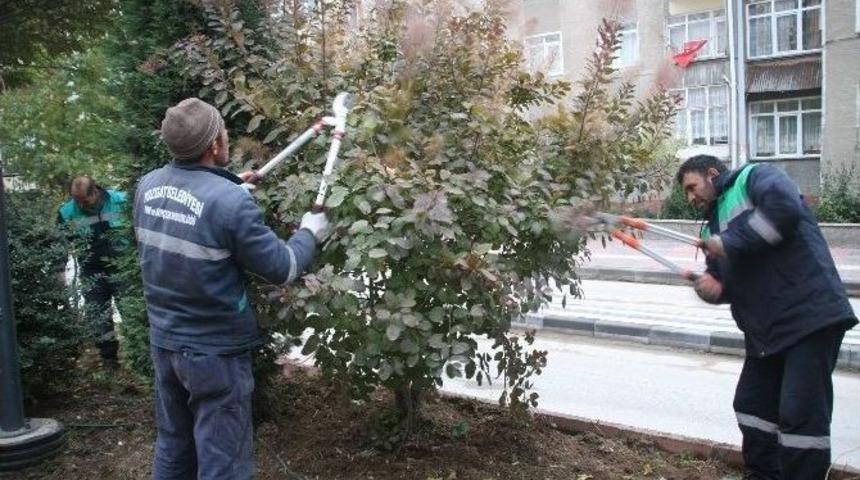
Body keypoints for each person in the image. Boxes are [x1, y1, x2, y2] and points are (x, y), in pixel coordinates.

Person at [133, 97, 329, 479]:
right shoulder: (228, 204)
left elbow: (189, 211)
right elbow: (283, 267)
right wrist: (311, 232)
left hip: (166, 343)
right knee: (224, 462)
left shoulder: (147, 186)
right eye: (222, 130)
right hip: (214, 355)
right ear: (214, 145)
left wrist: (227, 187)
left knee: (174, 446)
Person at [677, 155, 857, 480]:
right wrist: (709, 287)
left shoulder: (754, 177)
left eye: (692, 187)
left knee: (799, 416)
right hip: (766, 332)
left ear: (712, 174)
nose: (690, 198)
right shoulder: (713, 223)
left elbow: (784, 210)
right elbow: (725, 284)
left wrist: (727, 243)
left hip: (808, 317)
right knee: (751, 406)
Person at [57, 175, 127, 367]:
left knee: (131, 312)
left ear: (95, 191)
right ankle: (109, 361)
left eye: (84, 200)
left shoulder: (121, 200)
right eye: (76, 200)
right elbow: (60, 242)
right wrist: (60, 269)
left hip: (123, 268)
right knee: (99, 318)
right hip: (92, 272)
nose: (80, 204)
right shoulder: (67, 212)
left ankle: (142, 356)